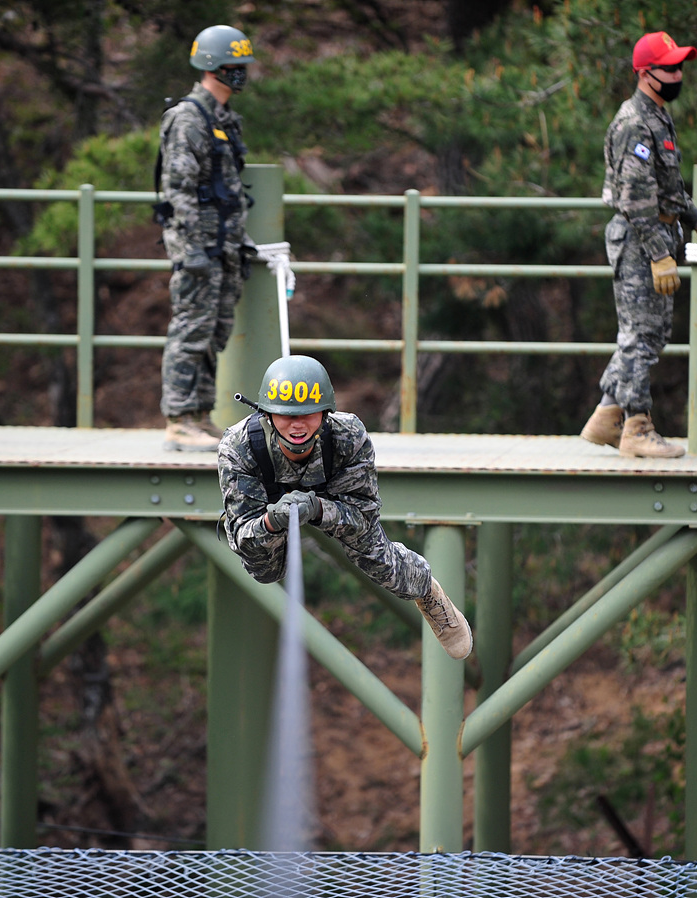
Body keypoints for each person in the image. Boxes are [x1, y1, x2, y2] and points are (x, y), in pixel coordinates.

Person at [217, 355, 472, 660]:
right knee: (263, 569)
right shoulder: (239, 446)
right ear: (268, 414)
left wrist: (322, 510)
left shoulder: (348, 436)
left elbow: (364, 517)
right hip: (270, 507)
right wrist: (272, 521)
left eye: (309, 414)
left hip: (333, 496)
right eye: (286, 415)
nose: (298, 425)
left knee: (377, 558)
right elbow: (242, 533)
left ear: (325, 413)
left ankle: (428, 592)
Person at [580, 31, 697, 459]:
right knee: (640, 336)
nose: (678, 74)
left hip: (657, 234)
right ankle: (637, 428)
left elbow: (667, 189)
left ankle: (608, 415)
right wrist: (659, 256)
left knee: (650, 333)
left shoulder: (658, 116)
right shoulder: (634, 123)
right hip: (640, 240)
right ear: (646, 74)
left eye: (680, 66)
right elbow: (634, 198)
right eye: (670, 67)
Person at [154, 24, 256, 452]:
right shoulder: (189, 117)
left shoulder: (223, 120)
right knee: (191, 330)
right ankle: (178, 418)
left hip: (223, 249)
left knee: (214, 332)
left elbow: (227, 189)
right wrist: (190, 250)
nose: (242, 73)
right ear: (213, 65)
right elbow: (177, 191)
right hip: (200, 249)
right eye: (235, 65)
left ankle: (198, 414)